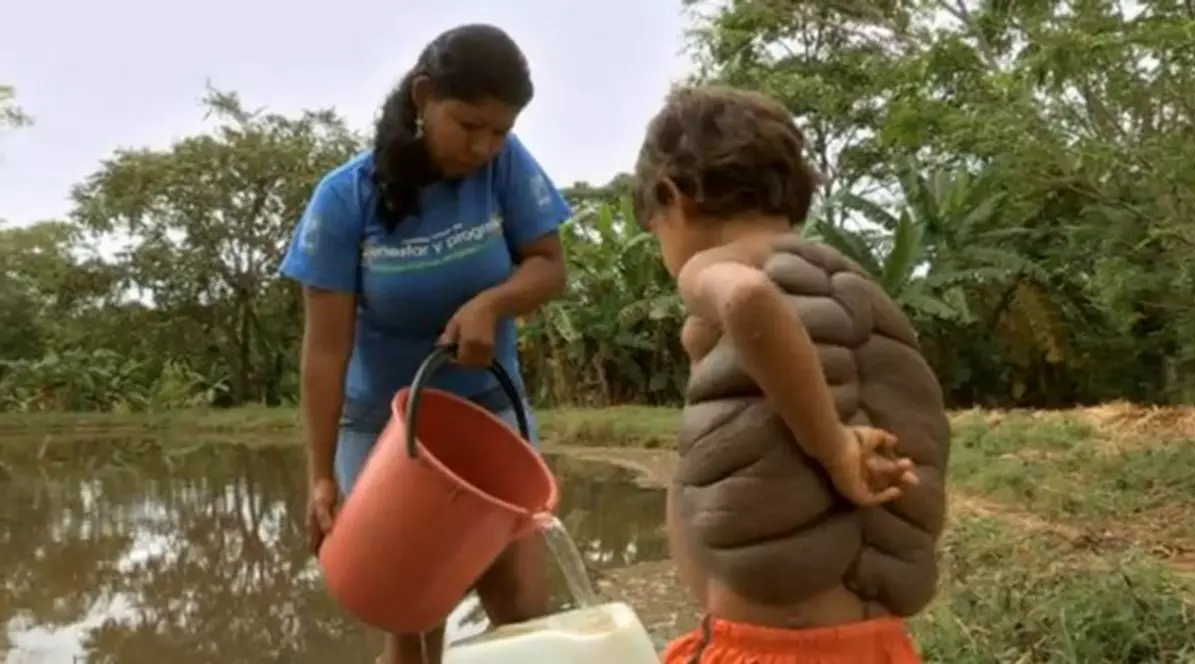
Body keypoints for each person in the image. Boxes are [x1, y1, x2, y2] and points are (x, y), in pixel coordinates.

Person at [278, 24, 571, 664]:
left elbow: (549, 264)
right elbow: (325, 352)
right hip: (389, 437)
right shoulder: (343, 199)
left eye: (501, 130)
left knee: (521, 607)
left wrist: (490, 303)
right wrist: (321, 475)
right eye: (469, 125)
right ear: (423, 96)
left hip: (489, 416)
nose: (485, 145)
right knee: (411, 620)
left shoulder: (506, 167)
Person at [631, 85, 951, 663]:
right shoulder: (856, 289)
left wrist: (831, 449)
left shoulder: (720, 267)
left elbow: (749, 299)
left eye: (656, 230)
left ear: (671, 198)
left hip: (763, 647)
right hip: (878, 645)